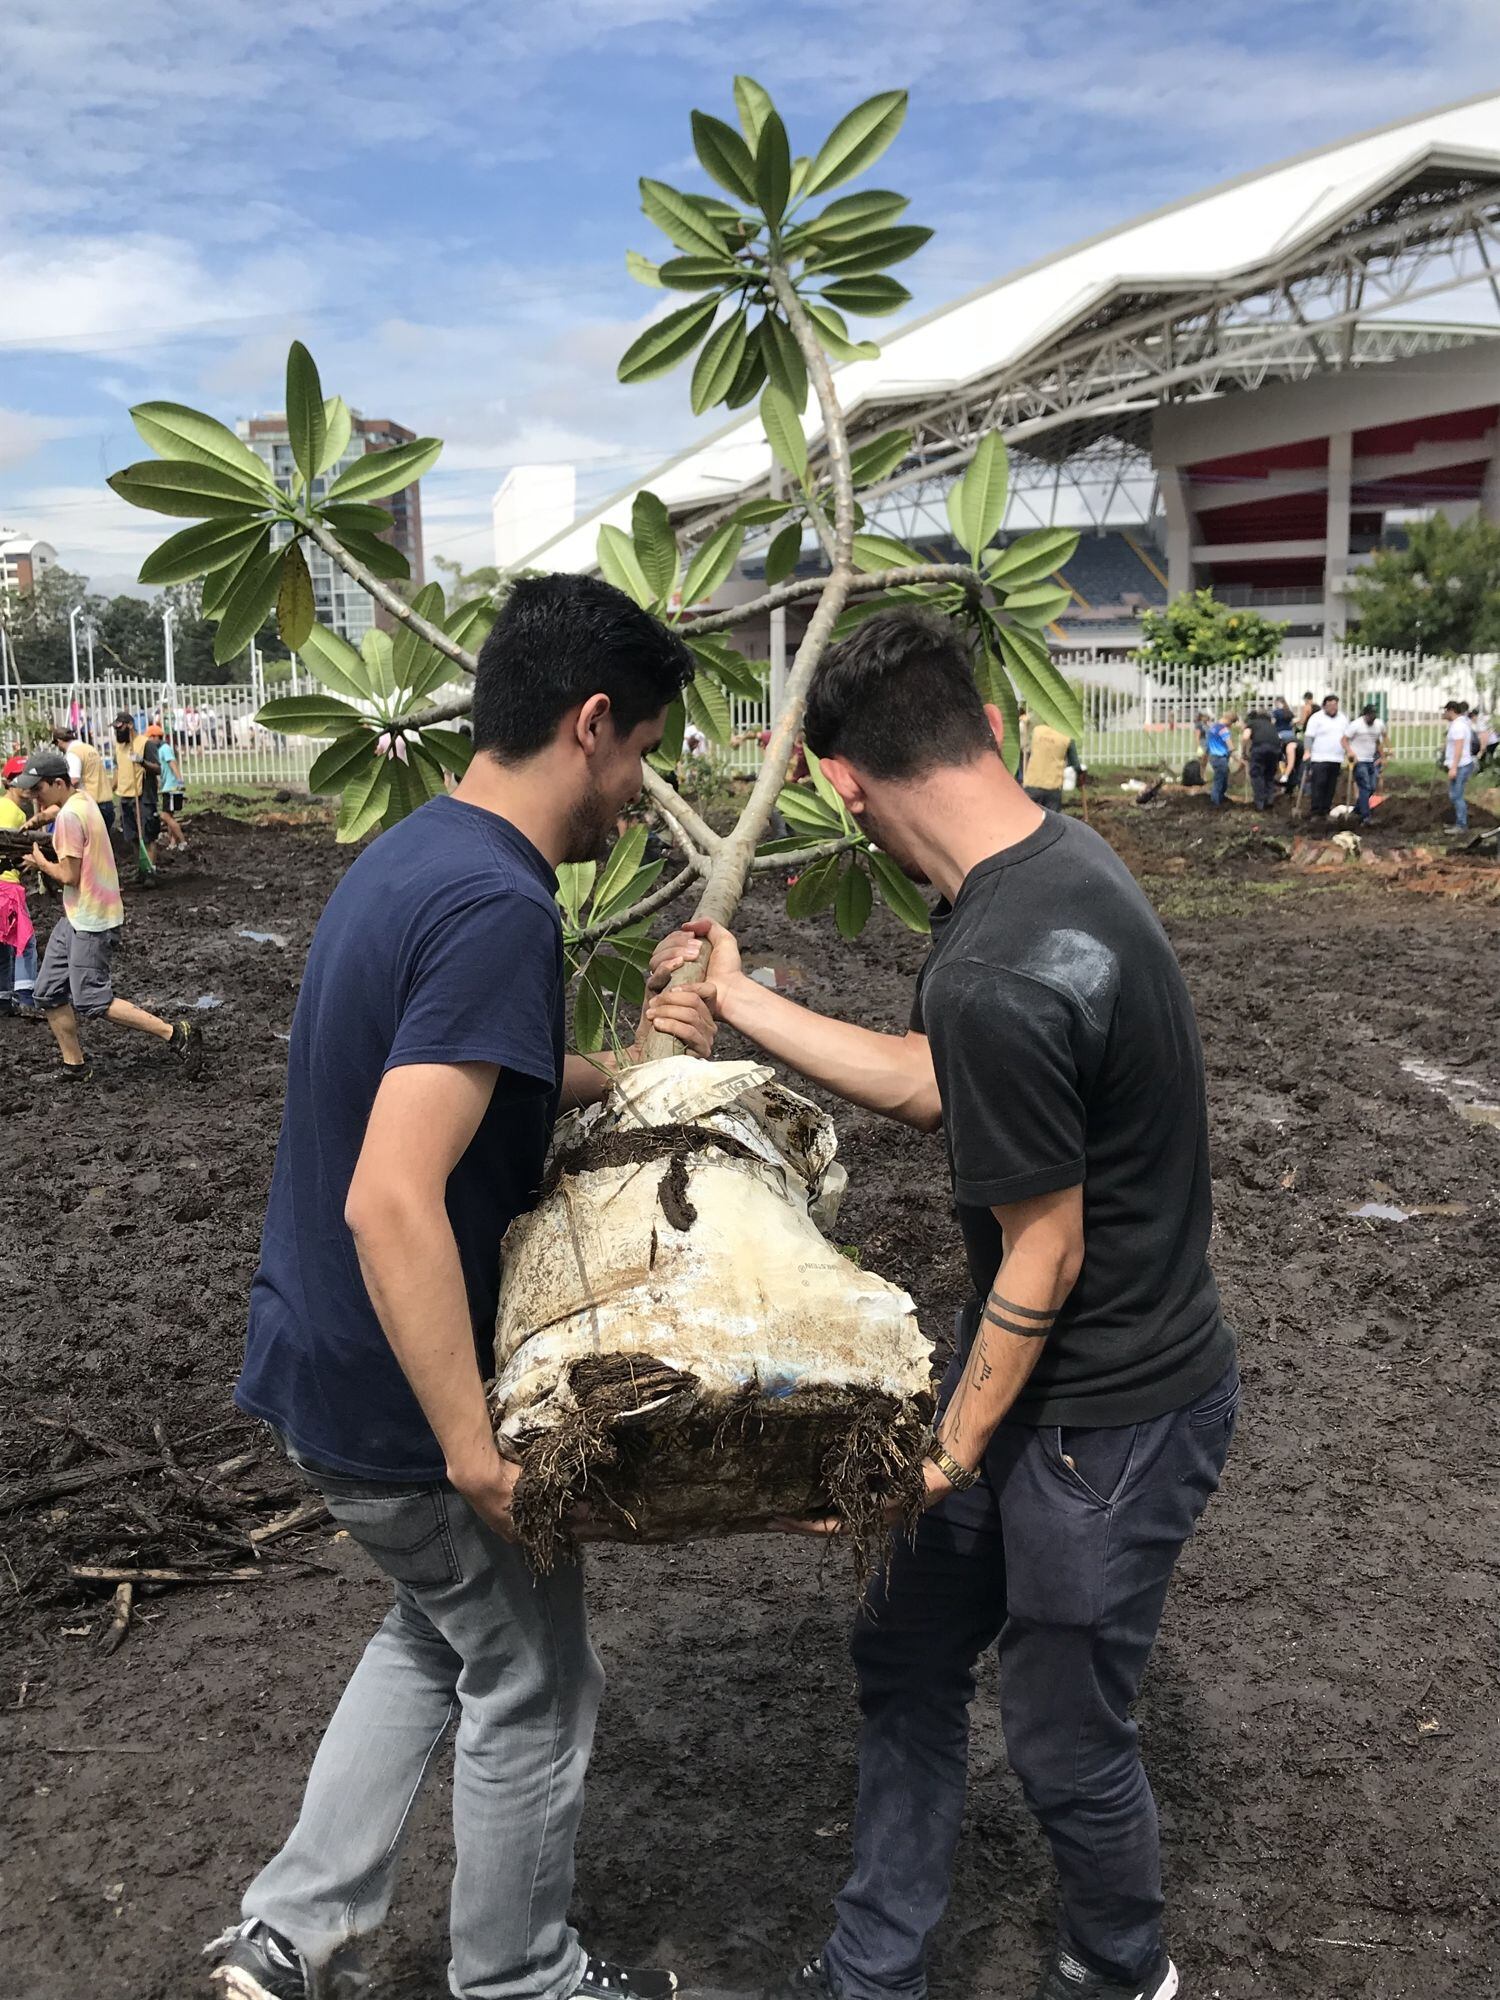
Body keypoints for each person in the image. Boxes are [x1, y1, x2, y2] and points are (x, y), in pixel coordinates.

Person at [654, 608, 1237, 2000]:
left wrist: (941, 1458)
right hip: (1036, 1380)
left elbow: (1044, 1251)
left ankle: (1119, 1969)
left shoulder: (999, 964)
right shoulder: (1050, 869)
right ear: (981, 726)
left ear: (840, 788)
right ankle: (879, 1964)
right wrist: (740, 1004)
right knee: (905, 1646)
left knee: (1064, 1738)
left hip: (1112, 1417)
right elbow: (935, 1076)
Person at [208, 574, 719, 2000]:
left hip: (316, 1361)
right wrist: (472, 1448)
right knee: (538, 1685)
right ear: (593, 722)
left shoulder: (417, 854)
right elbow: (392, 1194)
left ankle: (288, 1936)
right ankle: (519, 1977)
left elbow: (468, 1084)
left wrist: (630, 1065)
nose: (640, 790)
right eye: (642, 753)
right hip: (399, 1397)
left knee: (437, 1630)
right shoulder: (502, 905)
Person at [13, 749, 202, 1080]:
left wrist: (38, 861)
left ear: (57, 782)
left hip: (91, 919)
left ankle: (176, 1033)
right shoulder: (81, 799)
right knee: (48, 993)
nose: (35, 798)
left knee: (91, 999)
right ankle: (75, 1066)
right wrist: (43, 818)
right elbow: (61, 809)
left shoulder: (70, 819)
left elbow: (68, 875)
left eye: (39, 790)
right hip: (76, 915)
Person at [0, 754, 40, 1018]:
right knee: (25, 941)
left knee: (3, 944)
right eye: (20, 779)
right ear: (9, 782)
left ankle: (4, 997)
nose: (27, 785)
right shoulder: (11, 812)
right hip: (7, 886)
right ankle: (26, 996)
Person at [53, 722, 115, 832]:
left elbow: (74, 780)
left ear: (59, 741)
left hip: (92, 805)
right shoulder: (89, 748)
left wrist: (60, 798)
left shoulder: (73, 754)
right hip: (106, 802)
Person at [1301, 693, 1349, 817]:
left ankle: (1325, 809)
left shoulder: (1343, 719)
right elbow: (1309, 737)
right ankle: (1316, 810)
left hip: (1336, 758)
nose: (1333, 708)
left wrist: (1348, 752)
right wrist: (1307, 751)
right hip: (1319, 758)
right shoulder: (1316, 718)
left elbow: (1347, 737)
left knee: (1331, 786)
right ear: (1324, 706)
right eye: (1330, 705)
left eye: (1335, 705)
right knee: (1319, 783)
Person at [1341, 703, 1387, 825]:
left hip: (1370, 760)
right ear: (1365, 715)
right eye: (1369, 715)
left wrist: (1382, 756)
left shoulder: (1379, 725)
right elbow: (1344, 740)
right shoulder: (1356, 725)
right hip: (1358, 760)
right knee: (1365, 787)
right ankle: (1365, 817)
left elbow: (1378, 741)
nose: (1372, 718)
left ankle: (1357, 809)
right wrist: (1350, 752)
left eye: (1374, 715)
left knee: (1371, 787)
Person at [1021, 718, 1079, 811]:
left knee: (1031, 819)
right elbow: (1075, 764)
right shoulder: (1067, 737)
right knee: (1052, 822)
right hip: (1053, 787)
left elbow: (1026, 747)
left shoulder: (1037, 731)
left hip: (1032, 784)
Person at [151, 724, 187, 851]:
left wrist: (180, 781)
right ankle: (172, 843)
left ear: (156, 737)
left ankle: (182, 841)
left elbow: (173, 764)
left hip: (171, 787)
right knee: (170, 817)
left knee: (165, 816)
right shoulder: (160, 750)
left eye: (150, 738)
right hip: (167, 786)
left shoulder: (165, 748)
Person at [1443, 699, 1477, 831]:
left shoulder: (1458, 726)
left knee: (1457, 796)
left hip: (1460, 765)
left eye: (1445, 711)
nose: (1444, 713)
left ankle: (1462, 825)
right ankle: (1459, 821)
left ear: (1451, 711)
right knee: (1454, 795)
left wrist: (1453, 767)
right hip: (1460, 764)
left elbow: (1459, 747)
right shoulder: (1458, 724)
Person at [1241, 706, 1284, 810]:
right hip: (1275, 749)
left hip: (1260, 748)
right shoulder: (1271, 725)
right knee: (1269, 774)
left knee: (1257, 774)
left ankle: (1260, 803)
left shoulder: (1253, 723)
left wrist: (1243, 752)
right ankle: (1269, 800)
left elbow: (1245, 737)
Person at [1202, 710, 1235, 807]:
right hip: (1220, 757)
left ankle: (1220, 799)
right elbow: (1230, 745)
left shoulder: (1213, 728)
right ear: (1229, 720)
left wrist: (1205, 758)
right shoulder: (1223, 729)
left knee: (1222, 778)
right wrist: (1236, 755)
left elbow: (1208, 745)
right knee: (1220, 781)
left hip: (1213, 757)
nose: (1231, 726)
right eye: (1232, 723)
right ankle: (1215, 802)